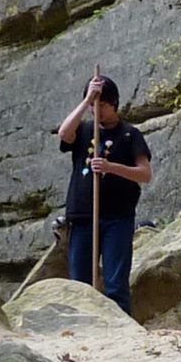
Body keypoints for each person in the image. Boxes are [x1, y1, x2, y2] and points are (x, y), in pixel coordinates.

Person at [57, 73, 151, 314]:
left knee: (115, 282)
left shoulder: (130, 134)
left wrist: (111, 168)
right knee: (80, 283)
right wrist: (87, 98)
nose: (96, 109)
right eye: (92, 105)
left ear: (115, 104)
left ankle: (121, 330)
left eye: (102, 104)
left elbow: (144, 174)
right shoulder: (84, 129)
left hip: (117, 217)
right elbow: (64, 134)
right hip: (82, 215)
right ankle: (84, 330)